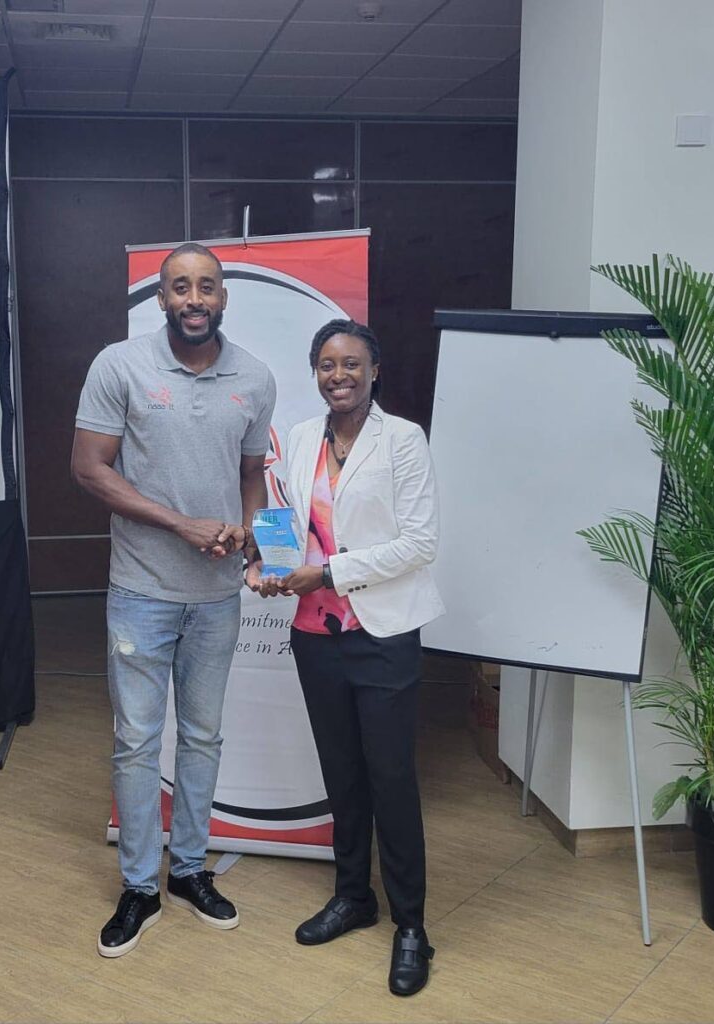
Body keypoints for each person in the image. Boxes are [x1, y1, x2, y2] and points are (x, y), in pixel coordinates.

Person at [72, 242, 276, 958]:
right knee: (135, 742)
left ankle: (188, 870)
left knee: (202, 737)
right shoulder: (118, 365)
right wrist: (179, 523)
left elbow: (253, 473)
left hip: (218, 597)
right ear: (160, 299)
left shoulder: (255, 377)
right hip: (141, 592)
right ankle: (138, 887)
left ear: (224, 297)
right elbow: (89, 469)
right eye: (179, 287)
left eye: (207, 287)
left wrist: (251, 531)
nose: (194, 299)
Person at [250, 319, 444, 996]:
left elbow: (418, 544)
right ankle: (353, 897)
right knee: (342, 775)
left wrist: (327, 573)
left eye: (352, 364)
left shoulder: (404, 441)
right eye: (328, 365)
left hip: (383, 633)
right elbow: (283, 523)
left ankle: (412, 925)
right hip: (314, 633)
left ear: (375, 371)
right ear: (316, 372)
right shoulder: (302, 438)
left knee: (391, 777)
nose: (340, 375)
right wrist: (265, 564)